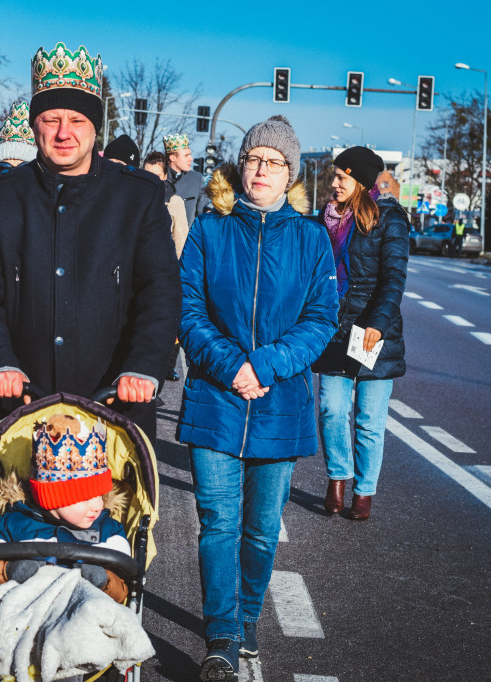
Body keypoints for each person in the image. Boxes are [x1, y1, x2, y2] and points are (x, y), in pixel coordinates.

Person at [177, 115, 338, 680]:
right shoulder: (210, 229)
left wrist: (264, 364)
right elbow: (188, 308)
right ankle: (221, 632)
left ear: (290, 172)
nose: (261, 170)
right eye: (253, 159)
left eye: (273, 162)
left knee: (262, 528)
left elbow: (322, 320)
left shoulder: (310, 238)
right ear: (239, 166)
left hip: (278, 399)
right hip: (216, 398)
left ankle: (246, 614)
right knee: (218, 520)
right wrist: (232, 365)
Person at [0, 41, 181, 438]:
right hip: (24, 406)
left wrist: (143, 367)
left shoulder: (139, 196)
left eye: (77, 120)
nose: (64, 133)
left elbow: (160, 291)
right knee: (17, 501)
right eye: (51, 118)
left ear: (95, 126)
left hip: (116, 405)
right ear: (33, 124)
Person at [314, 146, 408, 521]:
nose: (334, 183)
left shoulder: (389, 219)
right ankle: (338, 476)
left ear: (360, 182)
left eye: (341, 177)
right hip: (335, 331)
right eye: (334, 176)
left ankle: (364, 491)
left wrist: (377, 323)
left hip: (372, 334)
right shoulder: (323, 220)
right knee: (331, 409)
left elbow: (393, 280)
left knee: (369, 420)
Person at [0, 412, 130, 603]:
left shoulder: (108, 530)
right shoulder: (13, 525)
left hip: (84, 613)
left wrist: (104, 581)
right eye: (85, 498)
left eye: (99, 495)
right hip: (25, 612)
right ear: (53, 498)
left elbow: (125, 589)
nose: (98, 505)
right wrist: (7, 571)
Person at [143, 151, 189, 257]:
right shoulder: (135, 199)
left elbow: (180, 241)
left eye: (157, 176)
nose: (152, 180)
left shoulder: (175, 203)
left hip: (161, 264)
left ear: (165, 176)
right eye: (148, 175)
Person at [164, 133, 203, 226]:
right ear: (173, 157)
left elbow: (204, 210)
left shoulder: (196, 179)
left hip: (187, 239)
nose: (191, 159)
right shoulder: (158, 177)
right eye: (186, 155)